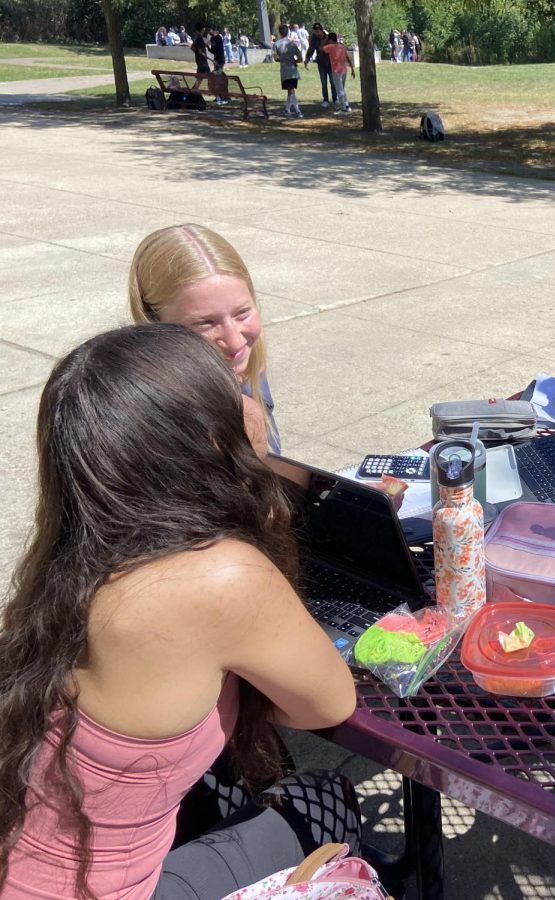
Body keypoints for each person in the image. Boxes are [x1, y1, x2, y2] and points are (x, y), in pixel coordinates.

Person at [0, 324, 360, 898]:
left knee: (224, 784)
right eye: (233, 389)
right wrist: (256, 461)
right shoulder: (220, 577)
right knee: (325, 802)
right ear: (208, 440)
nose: (250, 398)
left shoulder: (68, 564)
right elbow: (328, 703)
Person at [128, 223, 280, 456]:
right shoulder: (152, 417)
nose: (234, 340)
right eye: (205, 323)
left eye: (242, 313)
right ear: (154, 324)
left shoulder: (243, 360)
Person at [322, 32, 356, 114]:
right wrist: (352, 69)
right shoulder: (342, 46)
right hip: (344, 69)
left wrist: (326, 39)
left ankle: (343, 108)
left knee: (339, 90)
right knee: (343, 89)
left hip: (336, 71)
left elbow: (321, 48)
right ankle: (347, 105)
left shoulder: (330, 46)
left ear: (330, 40)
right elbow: (348, 58)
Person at [304, 22, 335, 109]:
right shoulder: (314, 39)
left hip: (330, 63)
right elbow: (311, 49)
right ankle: (325, 100)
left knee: (333, 82)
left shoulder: (328, 37)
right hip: (321, 63)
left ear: (322, 30)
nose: (317, 32)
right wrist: (307, 59)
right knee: (324, 82)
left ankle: (335, 98)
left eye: (319, 30)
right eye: (316, 31)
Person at [274, 30, 304, 118]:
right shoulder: (292, 44)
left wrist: (282, 59)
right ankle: (289, 109)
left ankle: (297, 110)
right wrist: (294, 60)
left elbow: (275, 58)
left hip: (284, 70)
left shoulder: (277, 44)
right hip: (293, 69)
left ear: (280, 32)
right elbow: (300, 58)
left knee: (290, 90)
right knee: (291, 90)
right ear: (288, 32)